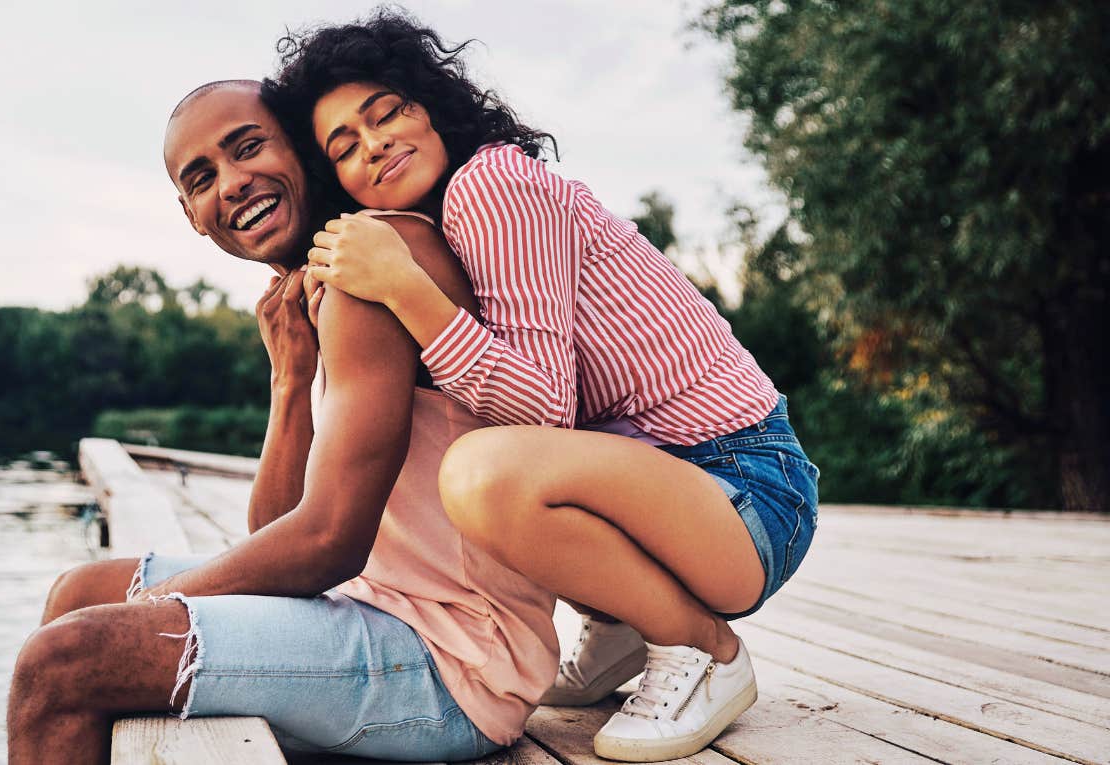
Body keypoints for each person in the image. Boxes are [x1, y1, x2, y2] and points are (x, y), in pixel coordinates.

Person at [263, 11, 820, 762]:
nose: (376, 143)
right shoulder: (446, 218)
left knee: (482, 471)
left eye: (387, 111)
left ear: (427, 105)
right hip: (685, 488)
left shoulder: (489, 186)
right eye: (345, 145)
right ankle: (621, 626)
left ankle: (704, 648)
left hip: (745, 488)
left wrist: (404, 287)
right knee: (479, 464)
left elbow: (541, 406)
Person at [6, 80, 560, 764]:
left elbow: (328, 541)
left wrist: (151, 607)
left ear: (301, 147)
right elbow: (274, 534)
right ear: (192, 214)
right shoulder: (317, 285)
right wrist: (290, 380)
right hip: (376, 608)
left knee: (62, 664)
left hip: (455, 664)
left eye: (248, 148)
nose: (233, 183)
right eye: (203, 177)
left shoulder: (375, 259)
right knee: (77, 592)